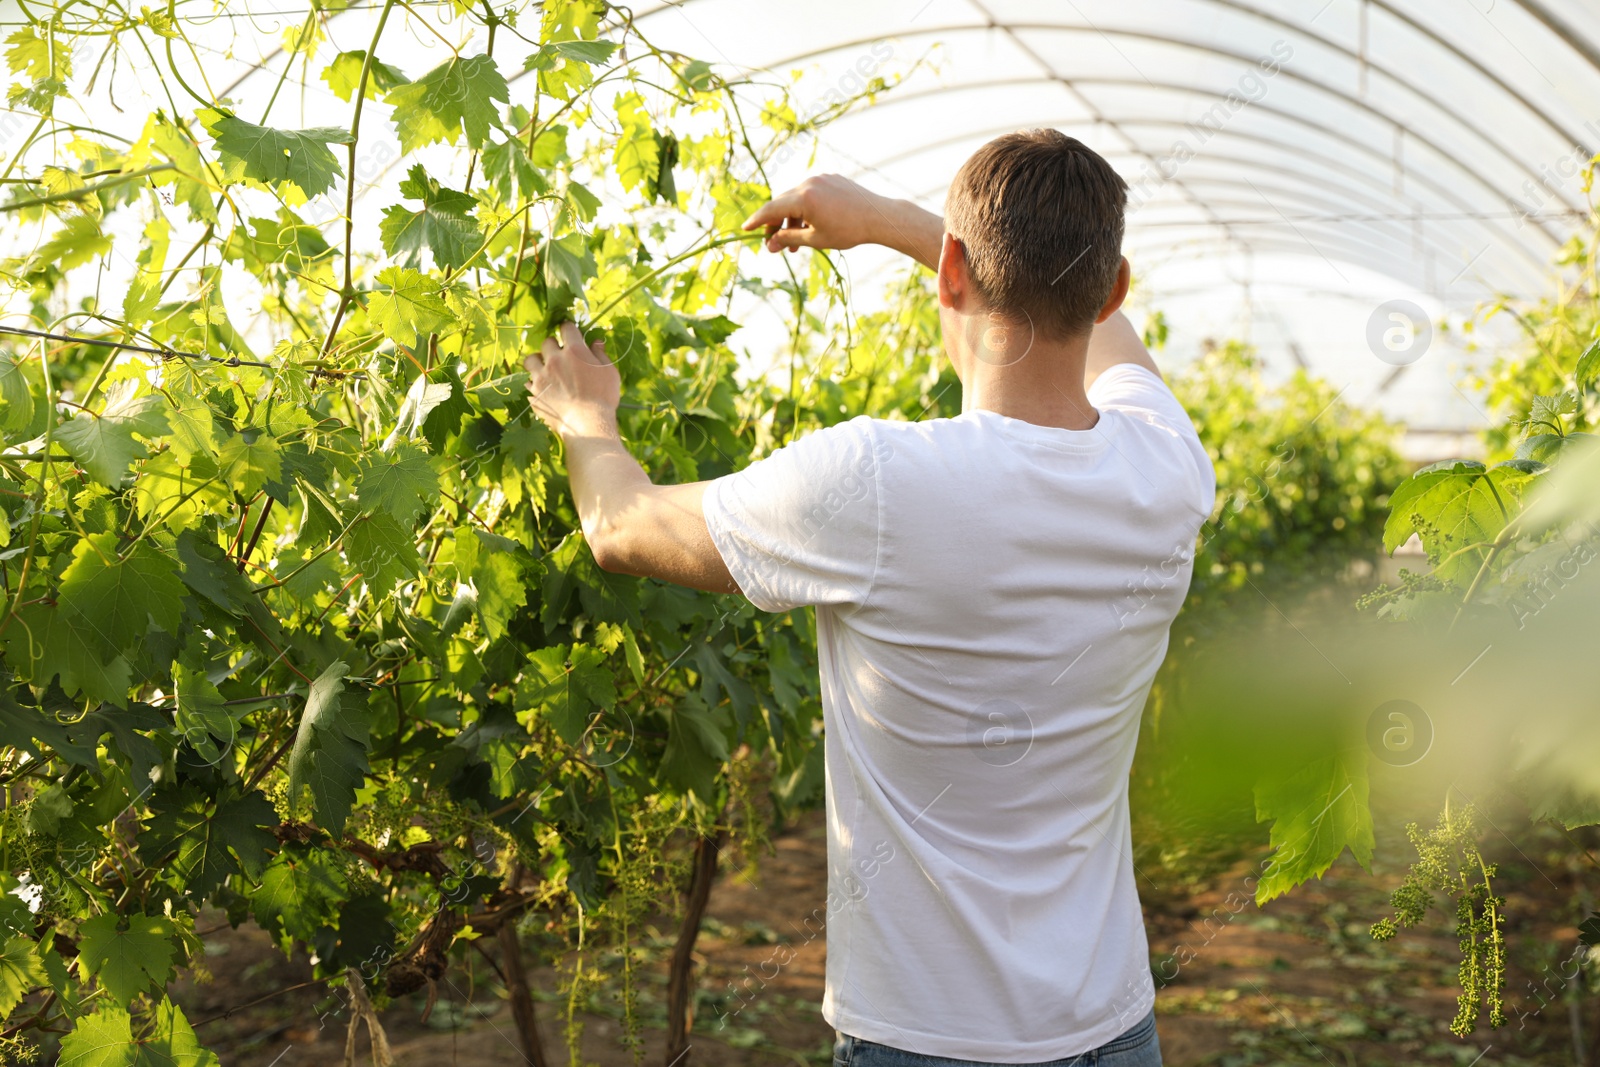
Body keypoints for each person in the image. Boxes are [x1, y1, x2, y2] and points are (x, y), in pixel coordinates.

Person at [524, 129, 1216, 1067]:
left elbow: (622, 526)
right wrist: (896, 223)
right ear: (1116, 287)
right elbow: (1115, 347)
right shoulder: (1169, 465)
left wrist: (583, 416)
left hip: (925, 1041)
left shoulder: (880, 483)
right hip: (1113, 1026)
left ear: (952, 273)